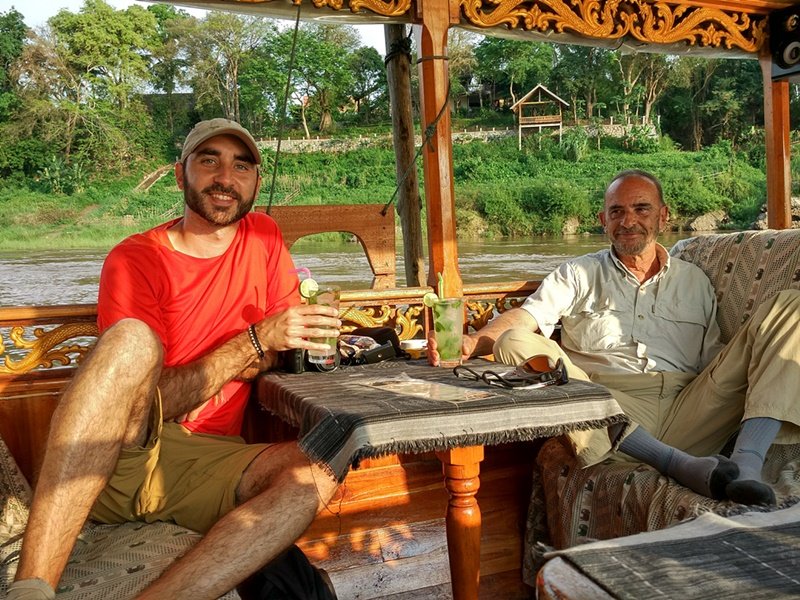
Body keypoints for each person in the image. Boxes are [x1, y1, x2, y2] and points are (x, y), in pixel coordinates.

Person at [9, 119, 341, 600]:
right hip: (120, 455)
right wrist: (252, 342)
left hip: (204, 462)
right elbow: (145, 401)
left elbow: (280, 347)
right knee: (131, 340)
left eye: (241, 165)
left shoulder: (265, 237)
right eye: (209, 161)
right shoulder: (135, 259)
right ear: (179, 174)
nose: (225, 177)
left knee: (319, 468)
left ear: (255, 182)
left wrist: (268, 344)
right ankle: (30, 590)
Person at [429, 169, 800, 507]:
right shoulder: (577, 273)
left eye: (641, 209)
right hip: (609, 409)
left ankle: (747, 465)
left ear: (663, 216)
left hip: (691, 406)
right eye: (617, 211)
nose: (629, 221)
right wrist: (474, 341)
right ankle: (673, 462)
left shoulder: (694, 280)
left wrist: (753, 363)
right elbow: (527, 318)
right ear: (603, 220)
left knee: (791, 304)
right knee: (512, 341)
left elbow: (714, 360)